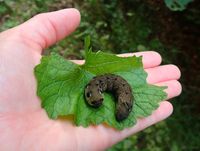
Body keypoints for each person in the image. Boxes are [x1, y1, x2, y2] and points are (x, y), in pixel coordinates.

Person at [0, 8, 181, 150]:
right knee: (118, 86)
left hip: (108, 83)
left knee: (119, 85)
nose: (96, 99)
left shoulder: (104, 89)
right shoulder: (98, 90)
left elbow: (112, 86)